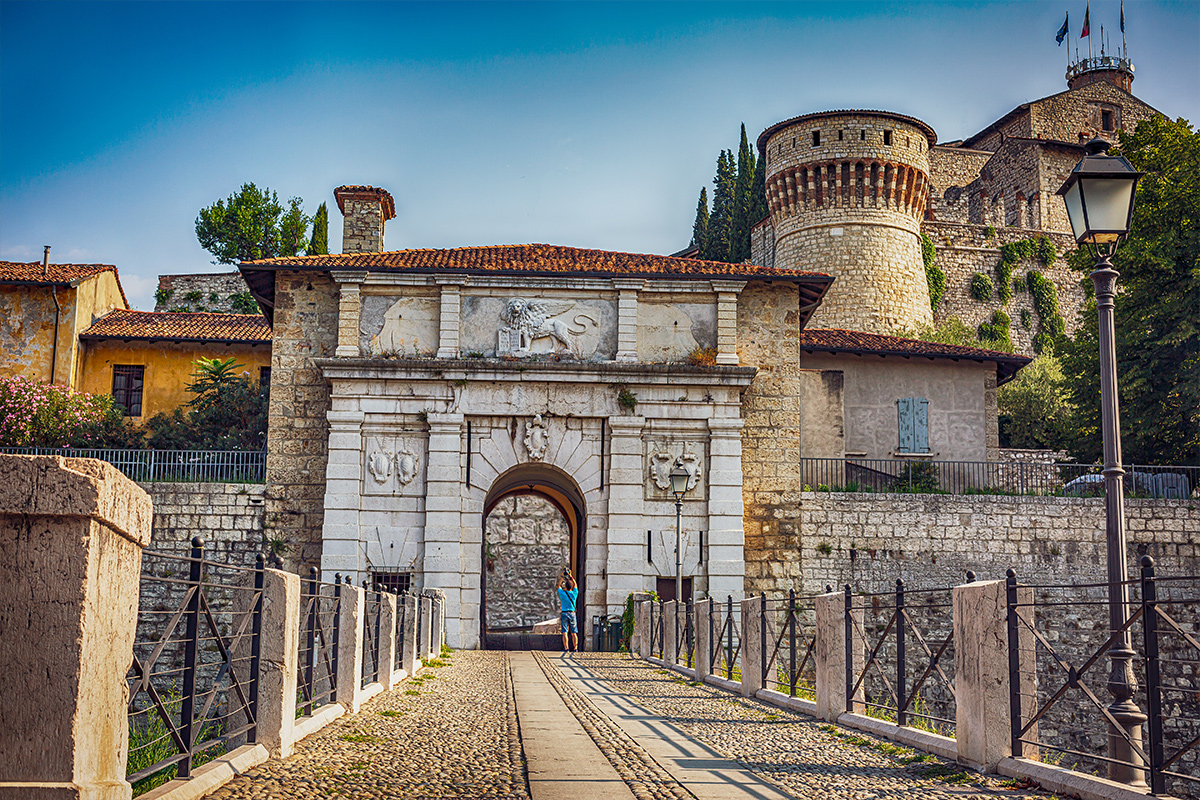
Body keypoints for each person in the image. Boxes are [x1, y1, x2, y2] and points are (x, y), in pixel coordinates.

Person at [556, 569, 579, 653]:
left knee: (564, 632)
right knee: (574, 632)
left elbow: (558, 586)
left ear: (565, 586)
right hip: (572, 613)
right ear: (571, 587)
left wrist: (562, 577)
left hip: (564, 613)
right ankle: (575, 648)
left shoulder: (562, 593)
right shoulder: (574, 593)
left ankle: (566, 648)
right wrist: (571, 576)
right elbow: (575, 585)